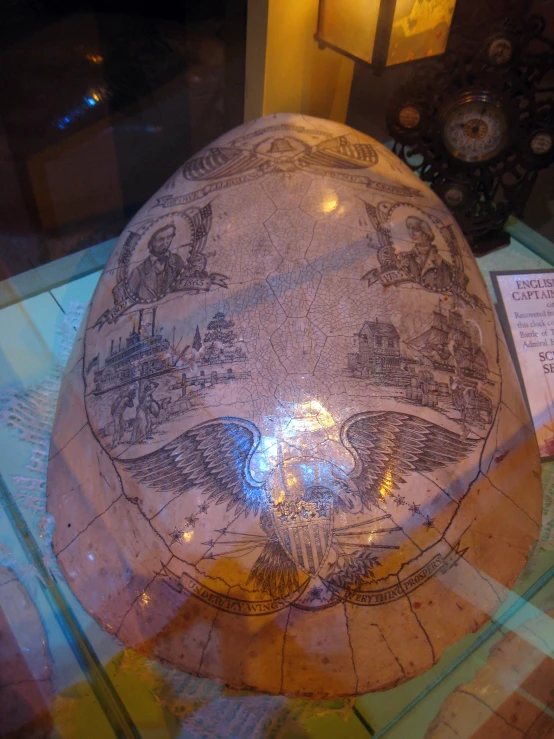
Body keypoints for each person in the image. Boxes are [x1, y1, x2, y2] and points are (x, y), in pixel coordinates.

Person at [127, 224, 185, 301]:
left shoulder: (177, 261)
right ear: (151, 242)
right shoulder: (138, 273)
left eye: (169, 237)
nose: (166, 243)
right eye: (161, 239)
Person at [399, 216, 453, 291]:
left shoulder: (443, 265)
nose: (411, 233)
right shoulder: (403, 258)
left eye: (416, 230)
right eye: (409, 228)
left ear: (426, 233)